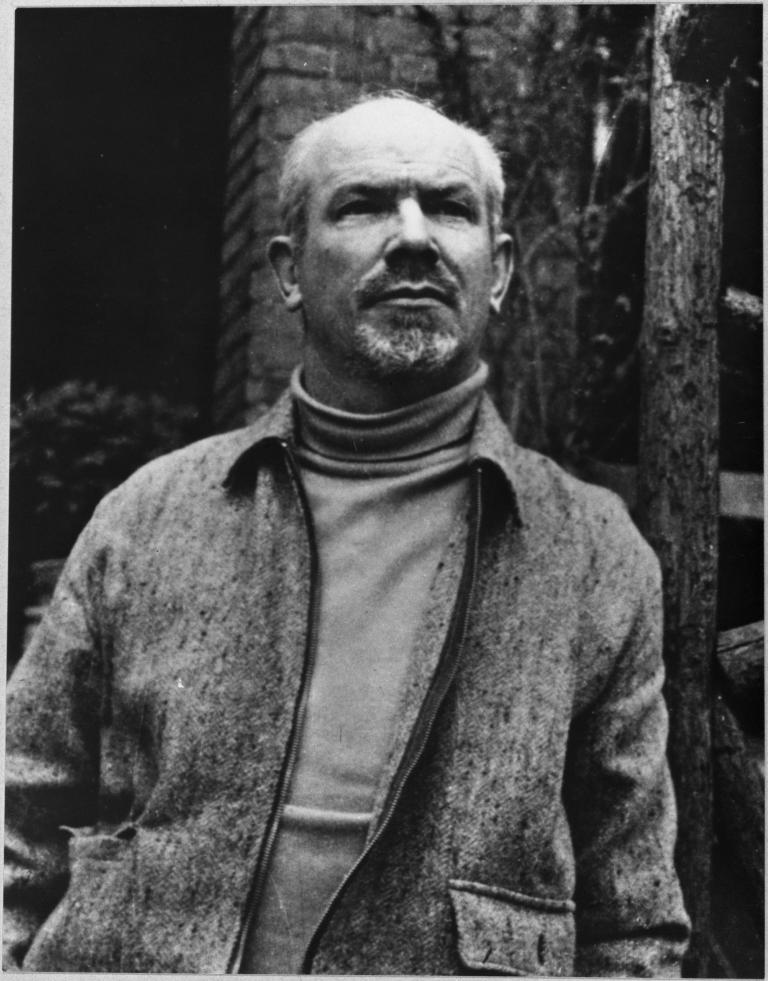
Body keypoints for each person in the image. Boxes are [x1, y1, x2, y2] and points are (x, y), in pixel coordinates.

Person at [5, 94, 690, 975]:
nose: (414, 237)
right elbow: (16, 824)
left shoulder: (596, 555)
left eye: (449, 207)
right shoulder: (147, 514)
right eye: (363, 204)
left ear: (500, 269)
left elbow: (631, 926)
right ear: (289, 272)